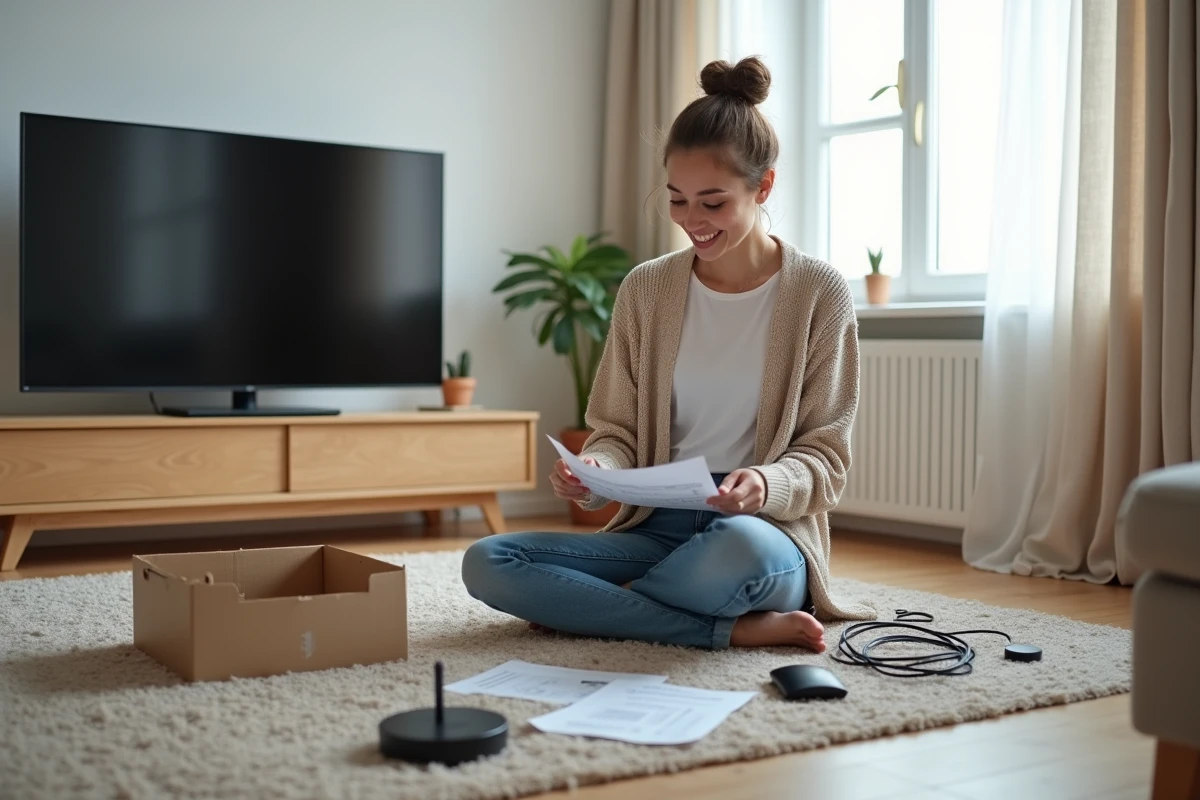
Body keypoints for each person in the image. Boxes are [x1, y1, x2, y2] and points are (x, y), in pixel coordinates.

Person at [462, 55, 876, 651]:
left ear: (764, 186)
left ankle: (605, 606)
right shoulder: (647, 288)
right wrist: (598, 470)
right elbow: (615, 429)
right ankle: (726, 628)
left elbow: (825, 459)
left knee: (734, 552)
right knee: (488, 560)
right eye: (678, 200)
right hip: (656, 529)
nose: (692, 222)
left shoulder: (819, 293)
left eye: (713, 202)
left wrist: (764, 482)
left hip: (759, 533)